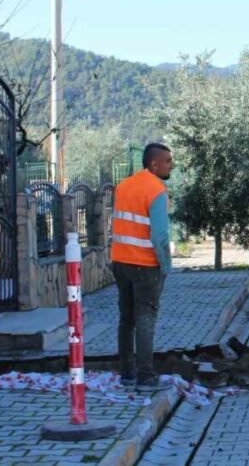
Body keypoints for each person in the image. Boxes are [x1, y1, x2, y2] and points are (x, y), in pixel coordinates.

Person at [111, 142, 174, 392]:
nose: (171, 165)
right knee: (146, 319)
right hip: (145, 265)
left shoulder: (123, 187)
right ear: (154, 163)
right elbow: (159, 234)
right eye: (168, 160)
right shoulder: (157, 190)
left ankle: (126, 372)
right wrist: (166, 265)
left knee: (126, 319)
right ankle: (146, 376)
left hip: (120, 261)